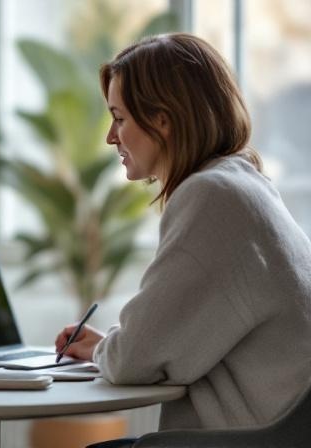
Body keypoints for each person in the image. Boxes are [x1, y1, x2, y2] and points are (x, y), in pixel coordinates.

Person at [55, 32, 311, 443]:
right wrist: (107, 347)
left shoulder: (212, 196)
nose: (110, 136)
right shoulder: (243, 184)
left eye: (120, 118)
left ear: (163, 119)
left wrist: (110, 351)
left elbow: (133, 361)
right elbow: (160, 342)